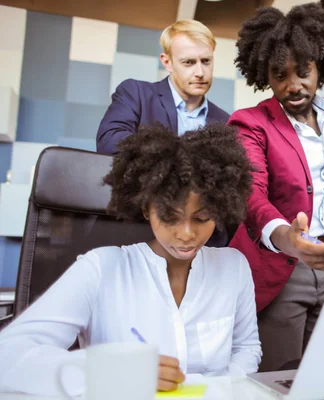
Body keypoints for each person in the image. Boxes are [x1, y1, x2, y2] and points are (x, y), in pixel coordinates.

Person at [0, 124, 261, 395]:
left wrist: (222, 389)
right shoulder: (100, 269)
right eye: (170, 217)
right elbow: (7, 357)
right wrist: (109, 372)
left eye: (202, 218)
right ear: (147, 209)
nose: (186, 234)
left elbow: (246, 348)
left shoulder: (234, 268)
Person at [228, 3, 324, 372]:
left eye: (303, 72)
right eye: (280, 75)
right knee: (280, 376)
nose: (293, 85)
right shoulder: (250, 124)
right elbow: (250, 193)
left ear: (321, 65)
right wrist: (288, 238)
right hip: (280, 266)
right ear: (264, 74)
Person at [96, 19, 229, 155]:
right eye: (189, 62)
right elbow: (109, 142)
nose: (200, 73)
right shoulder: (136, 94)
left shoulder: (226, 122)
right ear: (167, 62)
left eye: (206, 61)